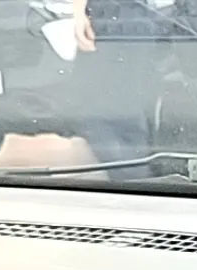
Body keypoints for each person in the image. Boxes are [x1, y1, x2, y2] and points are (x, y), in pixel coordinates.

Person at [71, 0, 168, 176]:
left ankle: (136, 181)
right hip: (128, 21)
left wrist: (77, 11)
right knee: (122, 122)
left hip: (115, 21)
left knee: (109, 120)